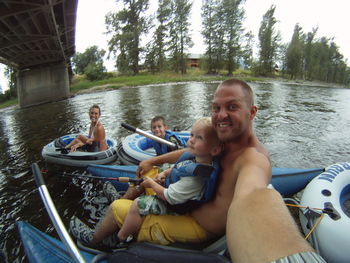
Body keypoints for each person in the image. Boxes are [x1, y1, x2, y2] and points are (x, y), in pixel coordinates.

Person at [70, 79, 326, 262]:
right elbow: (192, 152)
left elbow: (254, 196)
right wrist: (153, 163)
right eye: (216, 107)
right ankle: (129, 200)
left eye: (232, 107)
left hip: (195, 225)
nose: (220, 115)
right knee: (147, 175)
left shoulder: (252, 159)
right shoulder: (224, 141)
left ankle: (94, 241)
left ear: (252, 112)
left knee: (118, 210)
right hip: (188, 202)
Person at [115, 117, 222, 245]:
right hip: (175, 191)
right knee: (162, 170)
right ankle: (126, 198)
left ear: (214, 150)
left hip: (175, 206)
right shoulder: (197, 159)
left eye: (199, 137)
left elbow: (169, 196)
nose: (191, 140)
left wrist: (151, 184)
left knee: (137, 205)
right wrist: (165, 173)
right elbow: (179, 167)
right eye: (192, 135)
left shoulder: (196, 179)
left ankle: (121, 238)